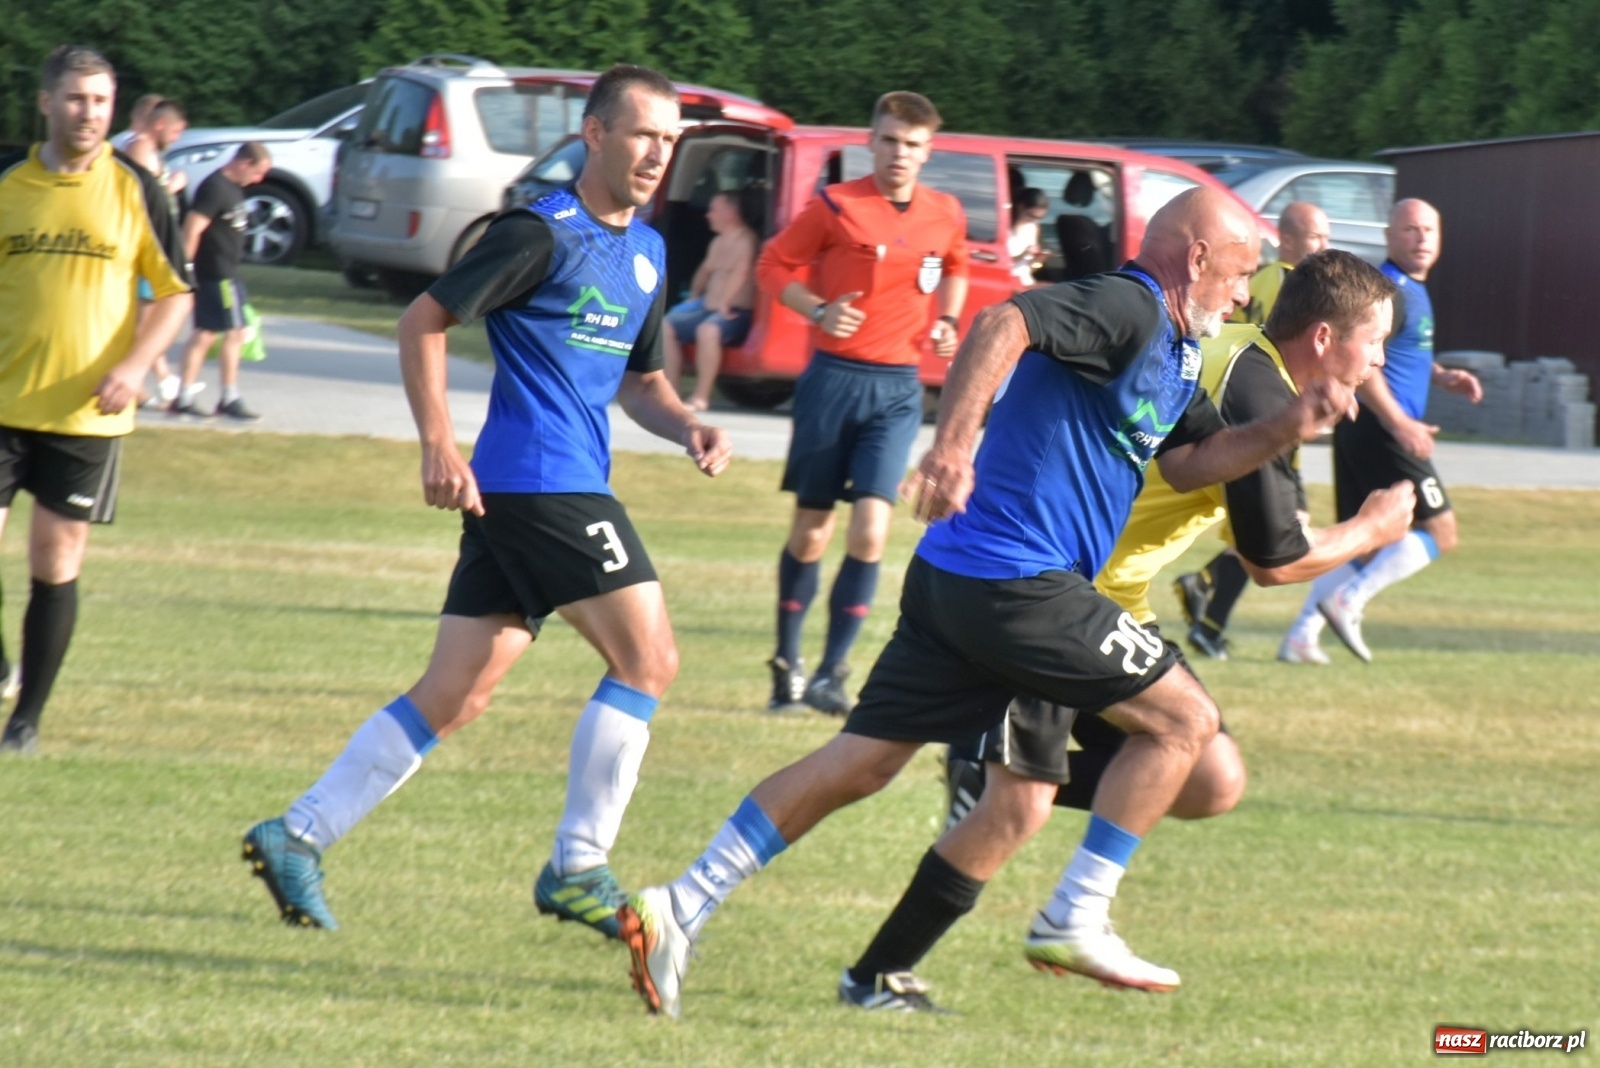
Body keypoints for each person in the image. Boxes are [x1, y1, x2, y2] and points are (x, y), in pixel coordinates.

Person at [617, 187, 1352, 1019]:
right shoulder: (1130, 306)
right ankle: (1076, 914)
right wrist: (953, 447)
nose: (1247, 293)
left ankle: (680, 905)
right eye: (1242, 271)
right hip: (1019, 580)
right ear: (1198, 258)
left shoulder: (1179, 352)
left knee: (864, 762)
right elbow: (1004, 322)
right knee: (1185, 721)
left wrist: (1288, 426)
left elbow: (1192, 463)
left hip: (959, 578)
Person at [840, 250, 1416, 1013]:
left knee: (1209, 780)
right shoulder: (1255, 390)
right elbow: (1274, 560)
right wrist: (1374, 528)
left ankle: (979, 823)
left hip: (1115, 595)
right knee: (1022, 803)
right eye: (1376, 341)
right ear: (1323, 337)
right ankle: (942, 952)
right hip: (1058, 592)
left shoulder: (1243, 360)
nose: (1380, 361)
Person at [239, 64, 732, 938]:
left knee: (457, 692)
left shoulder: (650, 253)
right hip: (543, 482)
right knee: (649, 661)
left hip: (533, 490)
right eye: (642, 134)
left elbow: (641, 383)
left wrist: (687, 422)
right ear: (595, 134)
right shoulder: (538, 233)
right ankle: (578, 866)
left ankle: (298, 834)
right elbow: (422, 320)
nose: (658, 153)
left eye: (670, 138)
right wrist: (438, 443)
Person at [0, 46, 192, 754]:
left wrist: (137, 366)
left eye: (101, 101)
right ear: (46, 102)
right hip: (2, 403)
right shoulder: (8, 181)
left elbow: (175, 293)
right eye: (77, 98)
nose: (89, 113)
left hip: (85, 413)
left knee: (55, 561)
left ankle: (25, 722)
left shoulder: (138, 189)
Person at [759, 91, 969, 716]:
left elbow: (955, 265)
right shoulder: (836, 205)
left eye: (912, 144)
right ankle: (787, 665)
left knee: (872, 531)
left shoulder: (945, 212)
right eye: (890, 140)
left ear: (927, 152)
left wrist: (949, 320)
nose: (899, 153)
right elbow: (773, 265)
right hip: (832, 381)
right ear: (871, 142)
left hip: (898, 388)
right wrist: (819, 310)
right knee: (811, 532)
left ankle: (832, 675)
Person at [1281, 198, 1482, 664]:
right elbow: (1362, 359)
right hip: (1382, 428)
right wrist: (1400, 422)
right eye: (1410, 229)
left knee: (1369, 541)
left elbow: (1396, 353)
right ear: (1390, 236)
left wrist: (1439, 375)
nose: (1421, 238)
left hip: (1366, 429)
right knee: (1441, 531)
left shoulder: (1407, 289)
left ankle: (1301, 636)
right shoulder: (1389, 290)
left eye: (1429, 230)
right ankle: (1349, 601)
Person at [1177, 201, 1334, 659]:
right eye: (1315, 237)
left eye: (1326, 237)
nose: (1323, 246)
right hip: (1268, 418)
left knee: (1259, 531)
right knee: (1280, 530)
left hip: (1239, 410)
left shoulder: (1258, 280)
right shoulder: (1297, 288)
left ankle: (1208, 615)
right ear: (1287, 239)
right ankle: (1204, 592)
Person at [168, 142, 270, 421]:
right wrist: (186, 268)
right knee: (229, 333)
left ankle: (187, 396)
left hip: (229, 272)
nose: (258, 179)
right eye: (257, 172)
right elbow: (193, 228)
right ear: (244, 163)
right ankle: (226, 397)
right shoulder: (215, 188)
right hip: (216, 273)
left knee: (210, 333)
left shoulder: (233, 189)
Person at [661, 189, 758, 411]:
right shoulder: (718, 242)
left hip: (734, 311)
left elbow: (741, 273)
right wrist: (694, 294)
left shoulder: (746, 241)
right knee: (665, 325)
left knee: (708, 331)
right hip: (708, 308)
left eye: (714, 210)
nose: (708, 215)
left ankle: (701, 396)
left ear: (730, 212)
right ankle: (671, 393)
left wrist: (725, 302)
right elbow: (705, 271)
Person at [122, 99, 191, 408]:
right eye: (175, 132)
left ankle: (159, 381)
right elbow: (140, 196)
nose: (176, 139)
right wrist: (173, 187)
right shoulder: (139, 148)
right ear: (160, 125)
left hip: (157, 248)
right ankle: (141, 385)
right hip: (143, 249)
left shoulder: (151, 152)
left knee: (149, 318)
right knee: (144, 320)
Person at [1008, 187, 1049, 288]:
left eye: (1039, 218)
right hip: (1009, 281)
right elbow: (1001, 263)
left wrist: (1039, 260)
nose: (1034, 221)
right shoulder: (1004, 229)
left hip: (1026, 281)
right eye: (1031, 216)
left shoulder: (1033, 228)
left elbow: (1028, 268)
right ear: (1020, 207)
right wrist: (1023, 254)